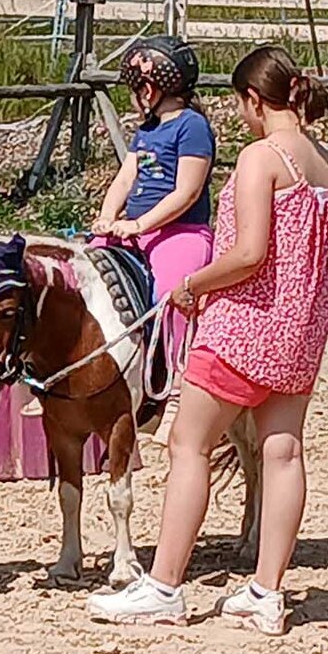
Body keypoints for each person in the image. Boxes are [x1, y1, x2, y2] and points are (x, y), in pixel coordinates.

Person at [88, 45, 328, 635]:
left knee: (188, 444)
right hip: (302, 325)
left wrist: (193, 284)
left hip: (244, 322)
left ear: (253, 99)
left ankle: (165, 584)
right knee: (283, 452)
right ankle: (266, 591)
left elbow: (249, 253)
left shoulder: (261, 158)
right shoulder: (325, 163)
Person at [91, 35, 216, 439]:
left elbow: (187, 192)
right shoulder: (145, 130)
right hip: (136, 229)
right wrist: (107, 216)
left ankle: (178, 388)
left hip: (181, 231)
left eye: (134, 90)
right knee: (86, 273)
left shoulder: (193, 127)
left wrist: (140, 225)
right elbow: (125, 177)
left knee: (171, 295)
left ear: (148, 90)